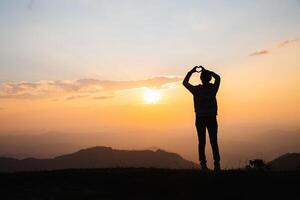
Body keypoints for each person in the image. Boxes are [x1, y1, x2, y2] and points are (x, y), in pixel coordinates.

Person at [183, 66, 221, 171]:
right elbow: (218, 78)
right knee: (214, 141)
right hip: (212, 118)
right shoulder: (213, 89)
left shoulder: (196, 90)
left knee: (202, 141)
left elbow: (185, 83)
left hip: (200, 118)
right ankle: (217, 165)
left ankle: (203, 165)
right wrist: (208, 71)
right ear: (209, 79)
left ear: (201, 79)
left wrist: (192, 71)